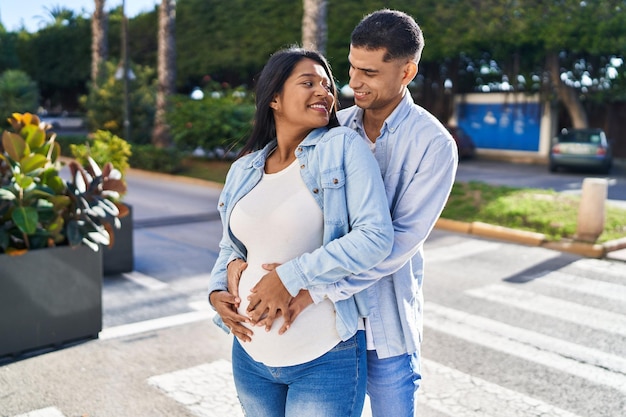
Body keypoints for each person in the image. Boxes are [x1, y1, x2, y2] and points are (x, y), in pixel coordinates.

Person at [242, 9, 459, 417]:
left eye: (370, 73)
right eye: (351, 67)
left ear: (406, 72)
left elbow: (396, 243)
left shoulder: (434, 144)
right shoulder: (332, 128)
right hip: (326, 328)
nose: (353, 83)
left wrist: (308, 288)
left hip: (385, 326)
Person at [207, 47, 394, 417]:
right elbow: (231, 247)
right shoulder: (244, 168)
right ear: (274, 97)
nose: (324, 92)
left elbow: (375, 237)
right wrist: (216, 292)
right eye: (308, 82)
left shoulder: (341, 148)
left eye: (327, 85)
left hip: (323, 356)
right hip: (250, 355)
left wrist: (290, 277)